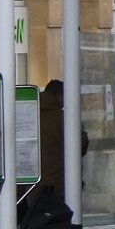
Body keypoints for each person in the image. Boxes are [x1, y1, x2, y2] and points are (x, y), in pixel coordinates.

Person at [28, 80, 88, 210]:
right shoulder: (63, 118)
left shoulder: (29, 116)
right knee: (59, 224)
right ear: (59, 96)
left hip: (31, 189)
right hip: (58, 186)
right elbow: (82, 144)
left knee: (39, 224)